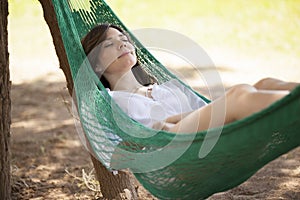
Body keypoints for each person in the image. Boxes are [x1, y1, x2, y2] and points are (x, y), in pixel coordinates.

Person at [81, 24, 299, 133]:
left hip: (204, 130)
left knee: (264, 83)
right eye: (109, 44)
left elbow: (208, 109)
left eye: (124, 38)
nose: (122, 44)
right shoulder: (110, 100)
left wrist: (219, 109)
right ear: (97, 63)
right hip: (174, 142)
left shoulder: (168, 88)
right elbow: (152, 130)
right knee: (239, 94)